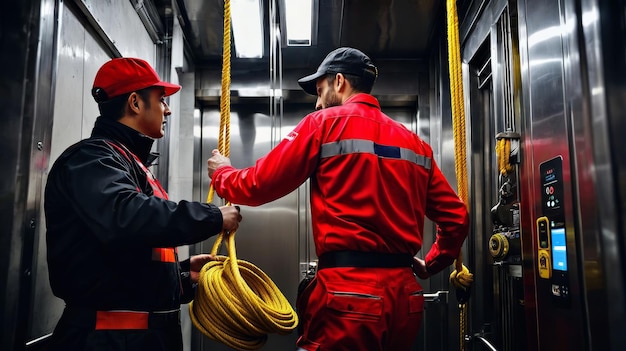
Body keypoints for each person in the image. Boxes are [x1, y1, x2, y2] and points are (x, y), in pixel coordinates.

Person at [206, 47, 470, 350]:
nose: (318, 103)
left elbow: (256, 185)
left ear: (340, 82)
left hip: (349, 297)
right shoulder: (416, 145)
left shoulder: (323, 124)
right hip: (405, 300)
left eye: (320, 91)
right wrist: (432, 264)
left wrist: (222, 173)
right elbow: (456, 217)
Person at [44, 57, 242, 351]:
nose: (168, 108)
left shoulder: (128, 163)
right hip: (106, 342)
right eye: (161, 99)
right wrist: (213, 217)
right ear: (135, 103)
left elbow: (124, 265)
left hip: (138, 340)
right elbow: (128, 217)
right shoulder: (92, 159)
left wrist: (184, 274)